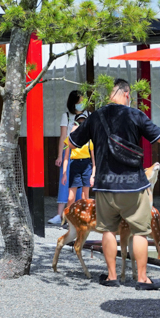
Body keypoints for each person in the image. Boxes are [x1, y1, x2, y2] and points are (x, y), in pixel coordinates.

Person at [68, 78, 160, 289]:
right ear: (127, 94)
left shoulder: (95, 116)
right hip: (132, 186)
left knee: (108, 230)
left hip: (104, 186)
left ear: (111, 94)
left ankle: (111, 277)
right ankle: (143, 279)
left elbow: (72, 143)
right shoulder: (135, 114)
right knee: (140, 231)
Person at [49, 90, 87, 225]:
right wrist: (60, 155)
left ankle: (79, 214)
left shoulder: (88, 115)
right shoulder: (66, 116)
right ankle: (59, 215)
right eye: (79, 102)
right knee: (64, 181)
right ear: (73, 103)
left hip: (85, 153)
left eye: (83, 101)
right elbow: (63, 137)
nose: (81, 104)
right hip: (69, 153)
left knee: (82, 185)